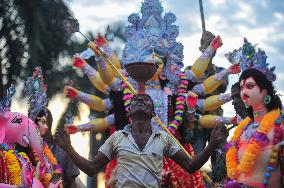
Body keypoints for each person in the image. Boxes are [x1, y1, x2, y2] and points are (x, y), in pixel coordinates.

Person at [55, 94, 228, 187]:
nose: (139, 100)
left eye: (145, 100)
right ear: (129, 113)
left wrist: (212, 144)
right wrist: (69, 148)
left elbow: (190, 167)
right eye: (135, 100)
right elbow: (92, 169)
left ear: (153, 113)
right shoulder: (117, 137)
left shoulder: (164, 138)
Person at [225, 38, 284, 187]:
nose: (244, 91)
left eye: (250, 86)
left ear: (265, 91)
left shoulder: (280, 125)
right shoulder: (243, 127)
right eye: (242, 87)